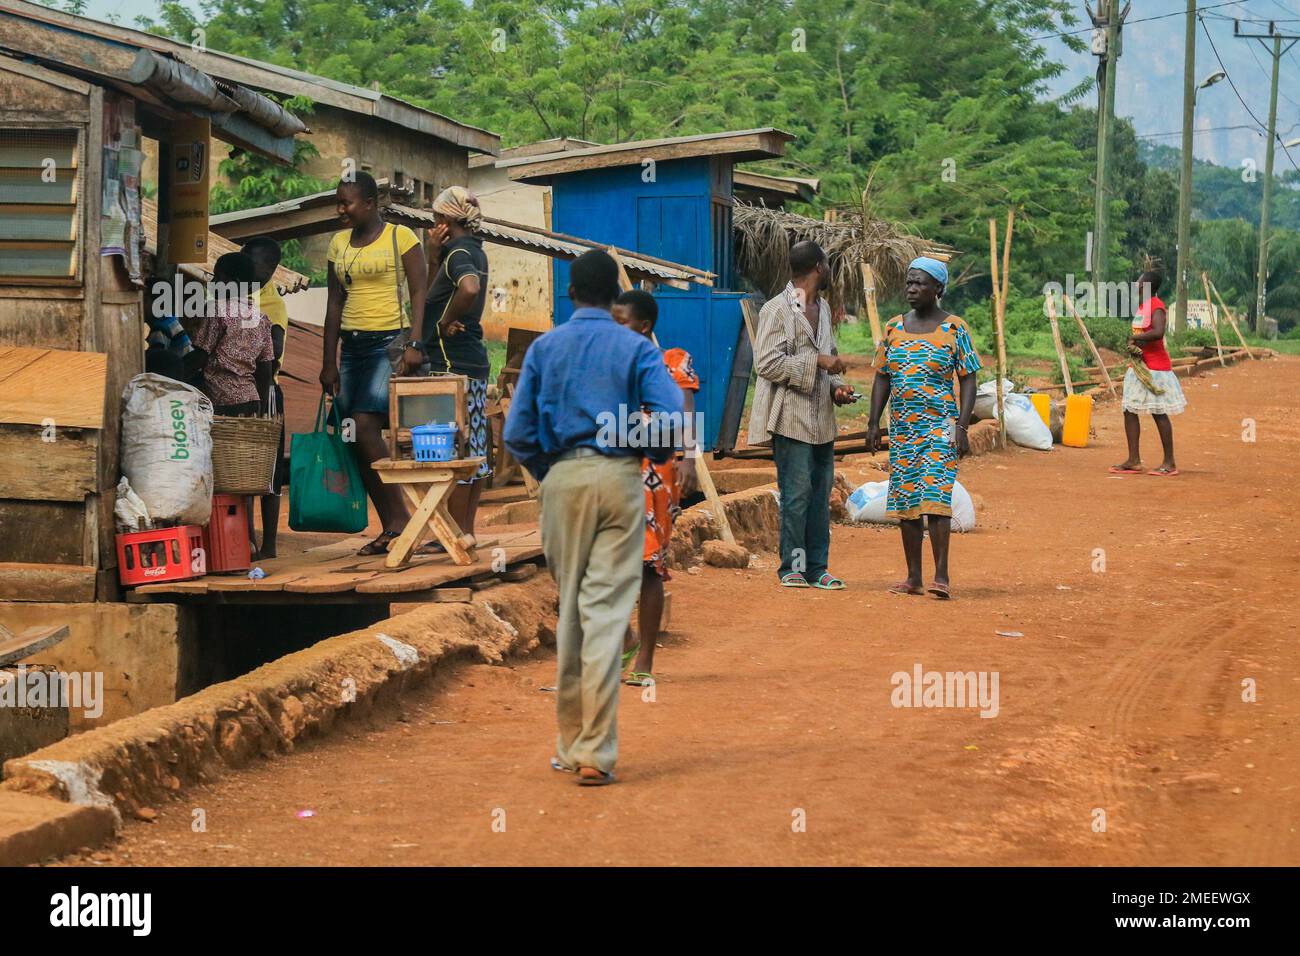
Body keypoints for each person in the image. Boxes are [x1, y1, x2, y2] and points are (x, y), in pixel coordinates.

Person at [504, 250, 682, 786]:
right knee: (605, 612)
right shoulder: (634, 347)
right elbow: (673, 419)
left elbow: (517, 431)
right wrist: (633, 446)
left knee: (574, 612)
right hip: (620, 482)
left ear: (571, 294)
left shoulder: (544, 348)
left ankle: (570, 742)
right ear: (613, 298)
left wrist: (552, 469)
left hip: (562, 482)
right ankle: (593, 753)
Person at [320, 171, 429, 555]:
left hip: (391, 342)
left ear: (370, 204)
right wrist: (328, 361)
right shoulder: (338, 244)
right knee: (352, 435)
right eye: (338, 201)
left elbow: (419, 290)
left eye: (347, 203)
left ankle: (406, 517)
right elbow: (334, 303)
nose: (340, 209)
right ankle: (392, 523)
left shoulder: (400, 236)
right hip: (352, 347)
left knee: (366, 426)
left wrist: (415, 342)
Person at [866, 257, 980, 599]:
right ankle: (913, 577)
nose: (911, 288)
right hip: (902, 429)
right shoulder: (893, 328)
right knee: (906, 500)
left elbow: (969, 378)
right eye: (909, 282)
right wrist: (873, 422)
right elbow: (882, 377)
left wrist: (962, 425)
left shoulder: (954, 328)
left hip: (940, 427)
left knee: (934, 497)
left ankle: (941, 576)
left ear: (938, 289)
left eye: (920, 283)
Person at [748, 240, 855, 590]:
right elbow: (765, 363)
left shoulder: (822, 309)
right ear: (819, 268)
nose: (829, 270)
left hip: (822, 418)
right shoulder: (778, 310)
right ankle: (792, 568)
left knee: (820, 495)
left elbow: (831, 356)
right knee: (795, 496)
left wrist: (836, 386)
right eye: (828, 264)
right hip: (790, 417)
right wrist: (818, 363)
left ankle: (818, 569)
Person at [611, 288, 700, 687]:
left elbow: (685, 412)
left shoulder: (672, 361)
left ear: (643, 325)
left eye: (621, 321)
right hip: (615, 470)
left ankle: (645, 655)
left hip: (658, 475)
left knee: (648, 565)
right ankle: (626, 637)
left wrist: (691, 459)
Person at [404, 185, 492, 549]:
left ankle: (452, 532)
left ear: (444, 220)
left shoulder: (458, 252)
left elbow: (467, 289)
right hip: (470, 360)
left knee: (454, 449)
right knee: (472, 449)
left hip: (452, 362)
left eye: (435, 217)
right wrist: (433, 257)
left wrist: (444, 322)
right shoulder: (473, 250)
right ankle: (464, 531)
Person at [1109, 269, 1185, 477]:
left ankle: (1169, 463)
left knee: (1159, 412)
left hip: (1155, 369)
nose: (1137, 285)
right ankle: (1133, 460)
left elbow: (1159, 332)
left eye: (1139, 282)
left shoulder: (1157, 307)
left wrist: (1135, 339)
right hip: (1140, 366)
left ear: (1147, 286)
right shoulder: (1144, 306)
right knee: (1129, 409)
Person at [243, 236, 289, 559]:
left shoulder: (271, 304)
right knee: (241, 470)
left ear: (271, 269)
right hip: (238, 388)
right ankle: (246, 541)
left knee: (269, 472)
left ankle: (269, 544)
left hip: (265, 390)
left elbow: (275, 353)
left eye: (253, 264)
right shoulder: (235, 293)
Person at [191, 252, 274, 417]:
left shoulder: (218, 310)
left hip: (221, 401)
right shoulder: (261, 318)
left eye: (217, 278)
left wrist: (172, 371)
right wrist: (261, 410)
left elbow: (200, 356)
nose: (212, 283)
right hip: (251, 401)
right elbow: (265, 371)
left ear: (233, 284)